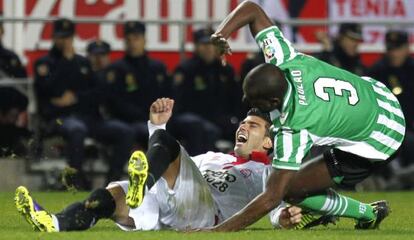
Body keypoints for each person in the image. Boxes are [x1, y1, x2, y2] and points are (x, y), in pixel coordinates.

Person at [207, 1, 404, 231]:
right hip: (381, 96)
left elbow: (272, 197)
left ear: (273, 102)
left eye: (255, 102)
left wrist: (217, 231)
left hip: (383, 135)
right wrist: (221, 34)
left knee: (291, 189)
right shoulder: (284, 59)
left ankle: (368, 213)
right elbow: (252, 8)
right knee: (298, 179)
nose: (248, 104)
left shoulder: (294, 127)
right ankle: (347, 210)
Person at [15, 98, 316, 232]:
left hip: (205, 214)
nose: (244, 127)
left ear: (267, 142)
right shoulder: (213, 157)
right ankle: (55, 223)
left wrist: (282, 218)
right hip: (169, 206)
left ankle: (140, 185)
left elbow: (274, 203)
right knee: (111, 195)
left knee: (170, 144)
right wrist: (153, 127)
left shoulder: (266, 173)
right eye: (244, 123)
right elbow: (170, 170)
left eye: (254, 126)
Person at [33, 18, 134, 187]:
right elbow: (47, 90)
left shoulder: (83, 63)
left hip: (89, 118)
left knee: (125, 131)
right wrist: (66, 61)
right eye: (60, 37)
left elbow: (98, 93)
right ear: (53, 38)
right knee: (76, 129)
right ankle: (76, 181)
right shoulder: (45, 63)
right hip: (59, 118)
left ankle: (112, 181)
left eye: (68, 37)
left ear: (73, 37)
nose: (65, 41)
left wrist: (75, 98)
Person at [172, 28, 241, 151]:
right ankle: (200, 167)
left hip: (219, 118)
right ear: (196, 46)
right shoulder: (186, 69)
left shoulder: (225, 70)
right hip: (194, 117)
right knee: (203, 129)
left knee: (243, 128)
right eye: (203, 44)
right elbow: (180, 102)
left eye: (211, 44)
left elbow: (235, 99)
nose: (208, 48)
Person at [104, 21, 170, 149]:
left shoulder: (157, 68)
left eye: (136, 39)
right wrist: (143, 115)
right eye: (129, 40)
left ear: (144, 40)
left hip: (155, 119)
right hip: (126, 120)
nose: (132, 43)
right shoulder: (117, 69)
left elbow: (168, 94)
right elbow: (114, 101)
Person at [368, 30, 414, 185]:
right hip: (386, 130)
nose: (394, 53)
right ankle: (394, 177)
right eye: (391, 48)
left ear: (407, 48)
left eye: (398, 48)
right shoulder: (377, 72)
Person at [0, 20, 29, 156]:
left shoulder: (11, 58)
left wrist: (14, 110)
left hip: (9, 116)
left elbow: (23, 90)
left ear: (2, 31)